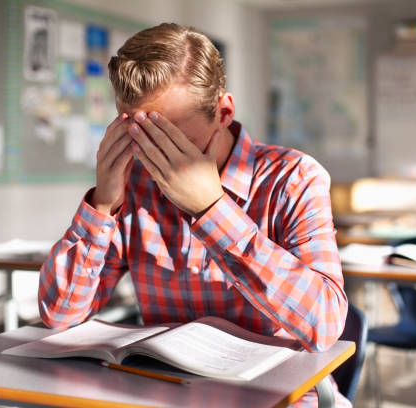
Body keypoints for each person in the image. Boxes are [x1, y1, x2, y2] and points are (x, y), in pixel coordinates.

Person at [38, 22, 349, 407]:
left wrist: (212, 211)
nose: (154, 154)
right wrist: (103, 203)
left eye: (170, 135)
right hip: (164, 393)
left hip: (278, 396)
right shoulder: (133, 184)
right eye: (136, 132)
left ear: (223, 112)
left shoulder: (294, 178)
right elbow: (60, 314)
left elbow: (325, 324)